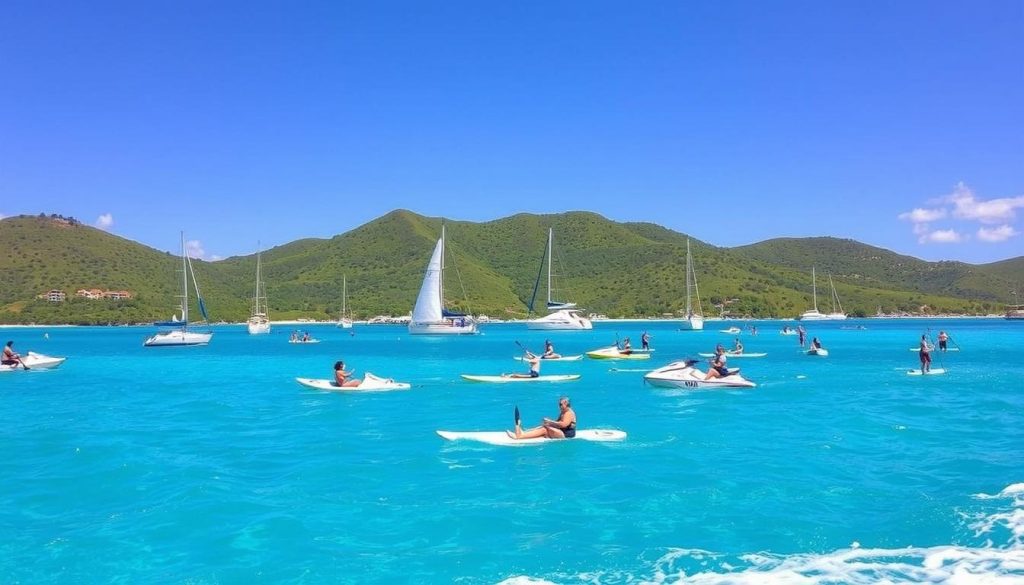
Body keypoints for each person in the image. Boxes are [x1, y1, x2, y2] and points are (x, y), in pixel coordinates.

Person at [508, 396, 577, 439]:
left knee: (545, 429)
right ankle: (525, 432)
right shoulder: (563, 412)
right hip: (562, 431)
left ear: (566, 404)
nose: (559, 406)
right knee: (545, 427)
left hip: (566, 435)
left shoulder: (569, 413)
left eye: (560, 404)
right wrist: (549, 423)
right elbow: (558, 422)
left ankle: (520, 436)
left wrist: (549, 421)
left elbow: (563, 424)